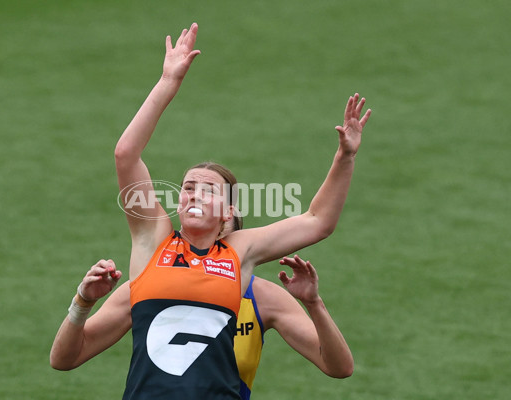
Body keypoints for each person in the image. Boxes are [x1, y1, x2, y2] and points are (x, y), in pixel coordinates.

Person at [114, 22, 368, 399]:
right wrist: (168, 82)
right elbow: (126, 155)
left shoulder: (238, 254)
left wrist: (345, 157)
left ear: (228, 212)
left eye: (208, 190)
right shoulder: (154, 241)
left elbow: (318, 222)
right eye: (187, 188)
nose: (194, 194)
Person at [51, 216, 353, 399]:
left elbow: (338, 367)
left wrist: (313, 303)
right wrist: (83, 301)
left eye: (226, 238)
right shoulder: (146, 289)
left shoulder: (263, 297)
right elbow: (64, 358)